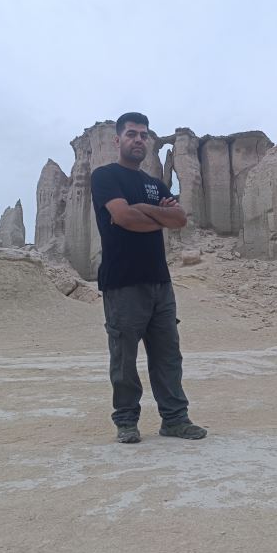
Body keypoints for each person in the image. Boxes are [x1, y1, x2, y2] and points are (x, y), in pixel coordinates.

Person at [91, 112, 207, 444]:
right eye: (131, 134)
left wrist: (142, 209)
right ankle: (126, 422)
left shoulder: (155, 184)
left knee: (168, 356)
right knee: (124, 359)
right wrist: (157, 215)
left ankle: (175, 420)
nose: (138, 139)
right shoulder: (105, 176)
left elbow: (180, 219)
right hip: (122, 281)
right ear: (118, 139)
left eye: (143, 135)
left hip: (160, 282)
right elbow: (123, 217)